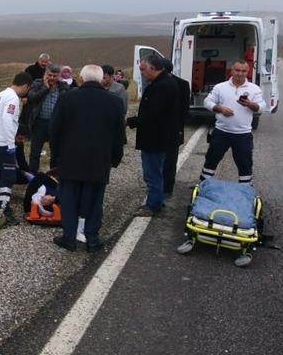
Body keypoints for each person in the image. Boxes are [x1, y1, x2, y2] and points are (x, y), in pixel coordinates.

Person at [49, 65, 125, 251]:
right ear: (101, 80)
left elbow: (54, 130)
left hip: (70, 159)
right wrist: (115, 158)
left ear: (81, 79)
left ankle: (69, 238)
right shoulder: (114, 102)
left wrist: (56, 156)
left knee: (69, 201)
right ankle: (92, 239)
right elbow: (119, 136)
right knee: (94, 202)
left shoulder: (66, 98)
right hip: (98, 161)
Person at [126, 54, 180, 216]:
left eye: (143, 69)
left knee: (153, 173)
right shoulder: (163, 83)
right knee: (156, 171)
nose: (141, 73)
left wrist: (130, 121)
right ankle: (156, 201)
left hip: (155, 139)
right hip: (159, 138)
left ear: (153, 68)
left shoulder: (162, 86)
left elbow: (153, 115)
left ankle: (153, 206)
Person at [199, 60, 264, 185]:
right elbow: (207, 102)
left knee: (245, 165)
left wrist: (250, 104)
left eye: (243, 71)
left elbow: (261, 107)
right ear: (231, 71)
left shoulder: (254, 89)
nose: (240, 73)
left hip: (243, 135)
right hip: (221, 133)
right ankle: (203, 186)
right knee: (211, 161)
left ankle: (245, 191)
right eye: (237, 70)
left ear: (248, 72)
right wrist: (220, 108)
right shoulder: (220, 87)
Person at [0, 72, 33, 226]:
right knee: (8, 176)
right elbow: (7, 120)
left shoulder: (1, 94)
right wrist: (11, 144)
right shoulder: (13, 98)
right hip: (3, 144)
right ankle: (4, 209)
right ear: (25, 86)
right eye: (28, 89)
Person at [24, 64, 70, 173]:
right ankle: (33, 177)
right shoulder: (37, 84)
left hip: (56, 124)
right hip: (39, 123)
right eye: (49, 75)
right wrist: (45, 87)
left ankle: (53, 177)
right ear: (45, 74)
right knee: (35, 153)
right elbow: (32, 97)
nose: (52, 78)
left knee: (55, 153)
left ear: (59, 76)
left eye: (55, 76)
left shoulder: (63, 87)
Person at [161, 58, 191, 199]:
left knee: (170, 161)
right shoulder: (154, 83)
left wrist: (179, 128)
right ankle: (157, 186)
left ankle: (167, 189)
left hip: (174, 129)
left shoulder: (182, 84)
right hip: (160, 130)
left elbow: (184, 109)